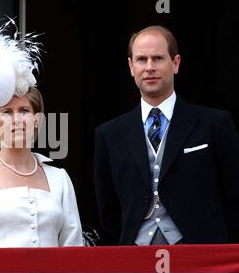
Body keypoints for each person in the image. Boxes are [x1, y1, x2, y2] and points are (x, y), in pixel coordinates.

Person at [94, 25, 239, 245]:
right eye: (142, 59)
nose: (149, 67)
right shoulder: (109, 134)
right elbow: (108, 209)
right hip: (134, 255)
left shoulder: (214, 124)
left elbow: (233, 195)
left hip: (200, 255)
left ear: (176, 63)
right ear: (131, 67)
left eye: (158, 58)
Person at [0, 22, 84, 247]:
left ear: (37, 120)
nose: (17, 120)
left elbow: (73, 248)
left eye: (24, 111)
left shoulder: (60, 179)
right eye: (6, 112)